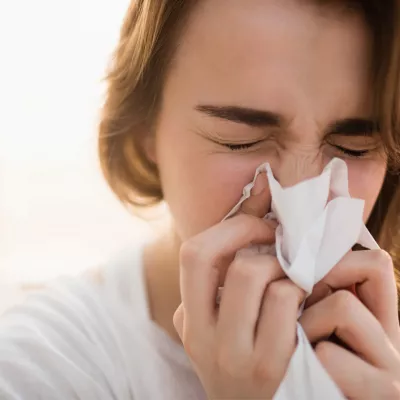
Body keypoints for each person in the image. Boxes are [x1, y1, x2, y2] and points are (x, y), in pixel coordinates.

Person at [1, 0, 400, 398]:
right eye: (240, 141)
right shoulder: (41, 370)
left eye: (355, 147)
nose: (300, 205)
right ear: (144, 131)